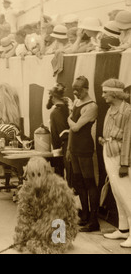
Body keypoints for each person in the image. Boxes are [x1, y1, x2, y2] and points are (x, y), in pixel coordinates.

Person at [99, 79, 131, 248]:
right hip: (109, 152)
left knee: (127, 194)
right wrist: (104, 140)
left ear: (114, 93)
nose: (103, 95)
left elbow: (128, 139)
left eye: (105, 92)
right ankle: (124, 230)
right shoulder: (111, 108)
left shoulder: (128, 111)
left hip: (120, 156)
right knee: (117, 193)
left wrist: (125, 164)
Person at [67, 76, 99, 232]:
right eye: (73, 90)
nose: (75, 93)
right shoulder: (77, 102)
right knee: (79, 182)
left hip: (85, 147)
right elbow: (72, 133)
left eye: (78, 90)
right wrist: (68, 148)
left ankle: (94, 220)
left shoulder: (92, 106)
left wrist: (68, 119)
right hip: (74, 148)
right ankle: (84, 215)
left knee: (89, 182)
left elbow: (76, 127)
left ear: (86, 89)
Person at [46, 83, 72, 184]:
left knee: (61, 177)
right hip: (68, 145)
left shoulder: (56, 112)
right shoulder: (67, 107)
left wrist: (56, 150)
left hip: (63, 147)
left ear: (53, 97)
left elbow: (60, 133)